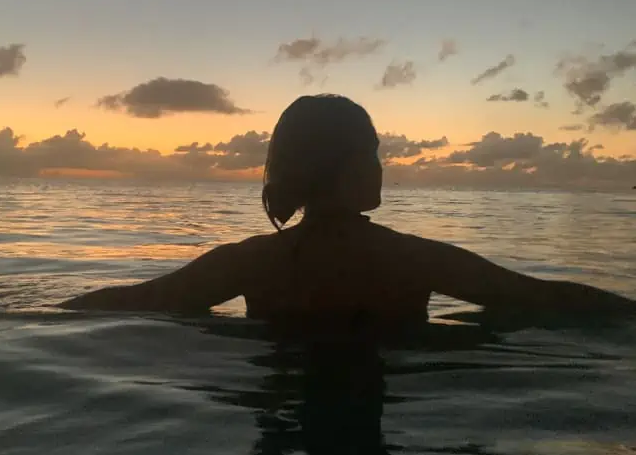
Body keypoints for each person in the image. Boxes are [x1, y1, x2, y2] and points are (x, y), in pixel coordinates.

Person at [60, 95, 635, 323]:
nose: (381, 168)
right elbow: (541, 297)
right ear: (341, 166)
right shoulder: (414, 259)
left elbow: (134, 301)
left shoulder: (250, 261)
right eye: (372, 155)